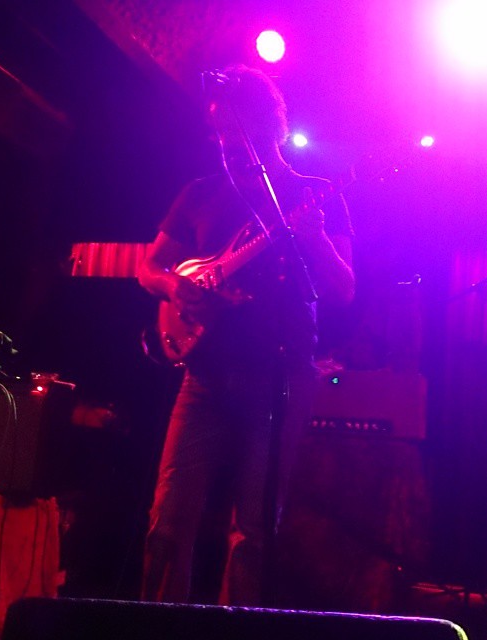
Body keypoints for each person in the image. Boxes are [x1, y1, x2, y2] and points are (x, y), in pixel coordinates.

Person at [138, 65, 355, 606]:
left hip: (281, 378)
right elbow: (149, 267)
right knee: (168, 520)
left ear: (266, 127)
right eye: (217, 131)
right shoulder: (200, 193)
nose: (225, 142)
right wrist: (174, 287)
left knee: (254, 534)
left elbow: (343, 290)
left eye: (234, 129)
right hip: (206, 375)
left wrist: (316, 240)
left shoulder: (314, 195)